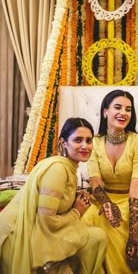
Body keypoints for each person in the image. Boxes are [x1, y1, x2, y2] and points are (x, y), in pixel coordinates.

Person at [0, 117, 108, 274]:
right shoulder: (57, 169)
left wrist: (73, 197)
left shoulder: (69, 168)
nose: (85, 146)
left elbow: (55, 201)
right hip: (24, 238)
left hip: (41, 231)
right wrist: (77, 211)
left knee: (97, 236)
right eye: (78, 140)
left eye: (89, 140)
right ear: (64, 143)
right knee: (97, 237)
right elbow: (47, 220)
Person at [81, 90, 138, 274]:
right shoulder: (94, 143)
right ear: (105, 111)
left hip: (132, 201)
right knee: (90, 219)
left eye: (128, 109)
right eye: (118, 107)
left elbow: (137, 187)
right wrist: (106, 204)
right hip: (103, 199)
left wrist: (133, 235)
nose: (124, 113)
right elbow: (95, 182)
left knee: (117, 227)